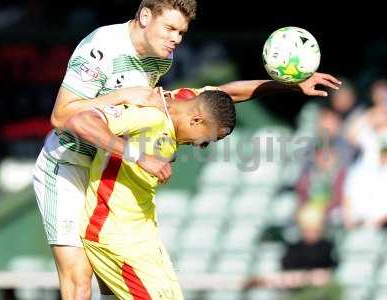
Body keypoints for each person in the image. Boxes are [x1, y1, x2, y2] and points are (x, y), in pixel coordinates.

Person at [33, 0, 341, 299]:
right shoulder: (101, 49)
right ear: (144, 16)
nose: (176, 39)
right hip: (70, 161)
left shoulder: (160, 57)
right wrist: (124, 103)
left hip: (107, 160)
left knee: (114, 285)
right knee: (79, 279)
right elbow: (62, 117)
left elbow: (217, 97)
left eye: (181, 33)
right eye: (169, 28)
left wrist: (289, 84)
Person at [66, 88, 236, 299]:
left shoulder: (172, 123)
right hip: (114, 234)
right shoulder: (150, 116)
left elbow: (235, 91)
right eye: (208, 139)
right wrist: (139, 156)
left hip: (144, 237)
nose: (200, 146)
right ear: (196, 120)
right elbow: (80, 121)